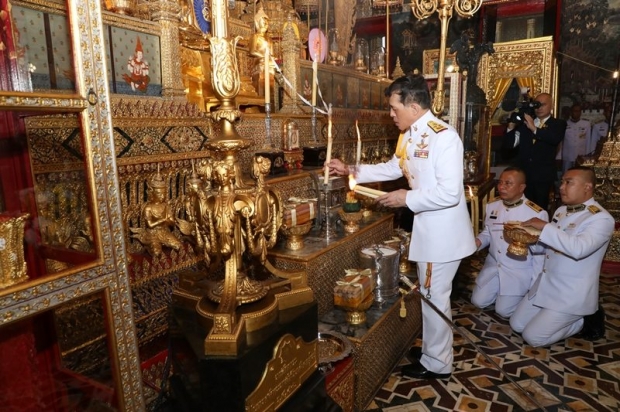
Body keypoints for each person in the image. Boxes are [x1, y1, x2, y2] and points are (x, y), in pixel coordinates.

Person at [327, 74, 476, 379]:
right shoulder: (410, 133)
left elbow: (450, 193)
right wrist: (352, 169)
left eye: (394, 108)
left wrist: (407, 197)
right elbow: (395, 166)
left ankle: (438, 363)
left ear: (413, 104)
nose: (391, 114)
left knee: (435, 297)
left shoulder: (443, 136)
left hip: (442, 236)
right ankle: (436, 352)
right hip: (430, 231)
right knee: (432, 295)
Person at [509, 166, 614, 347]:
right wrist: (528, 240)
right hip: (546, 285)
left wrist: (544, 227)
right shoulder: (562, 211)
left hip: (570, 294)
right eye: (562, 182)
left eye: (568, 182)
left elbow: (578, 249)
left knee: (533, 338)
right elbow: (554, 245)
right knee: (516, 324)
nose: (561, 187)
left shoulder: (601, 219)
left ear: (587, 187)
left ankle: (582, 320)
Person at [472, 167, 548, 318]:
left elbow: (541, 252)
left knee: (503, 311)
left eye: (508, 183)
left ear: (522, 187)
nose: (502, 187)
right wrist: (478, 241)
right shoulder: (493, 205)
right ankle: (502, 293)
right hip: (494, 266)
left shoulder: (536, 213)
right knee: (478, 302)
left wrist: (535, 285)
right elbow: (488, 232)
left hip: (517, 270)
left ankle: (516, 296)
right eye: (500, 182)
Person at [503, 93, 566, 212]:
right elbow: (509, 146)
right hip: (523, 176)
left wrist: (534, 128)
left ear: (551, 106)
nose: (539, 108)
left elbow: (554, 139)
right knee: (521, 207)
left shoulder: (558, 124)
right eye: (536, 105)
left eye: (543, 105)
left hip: (542, 177)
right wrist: (511, 127)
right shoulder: (525, 123)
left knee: (539, 209)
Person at [559, 103, 591, 173]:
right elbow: (561, 141)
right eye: (575, 111)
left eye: (578, 111)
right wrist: (559, 156)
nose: (577, 113)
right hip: (568, 155)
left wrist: (587, 155)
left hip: (581, 154)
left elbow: (588, 140)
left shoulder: (586, 124)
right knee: (566, 173)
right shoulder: (565, 124)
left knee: (580, 174)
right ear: (571, 112)